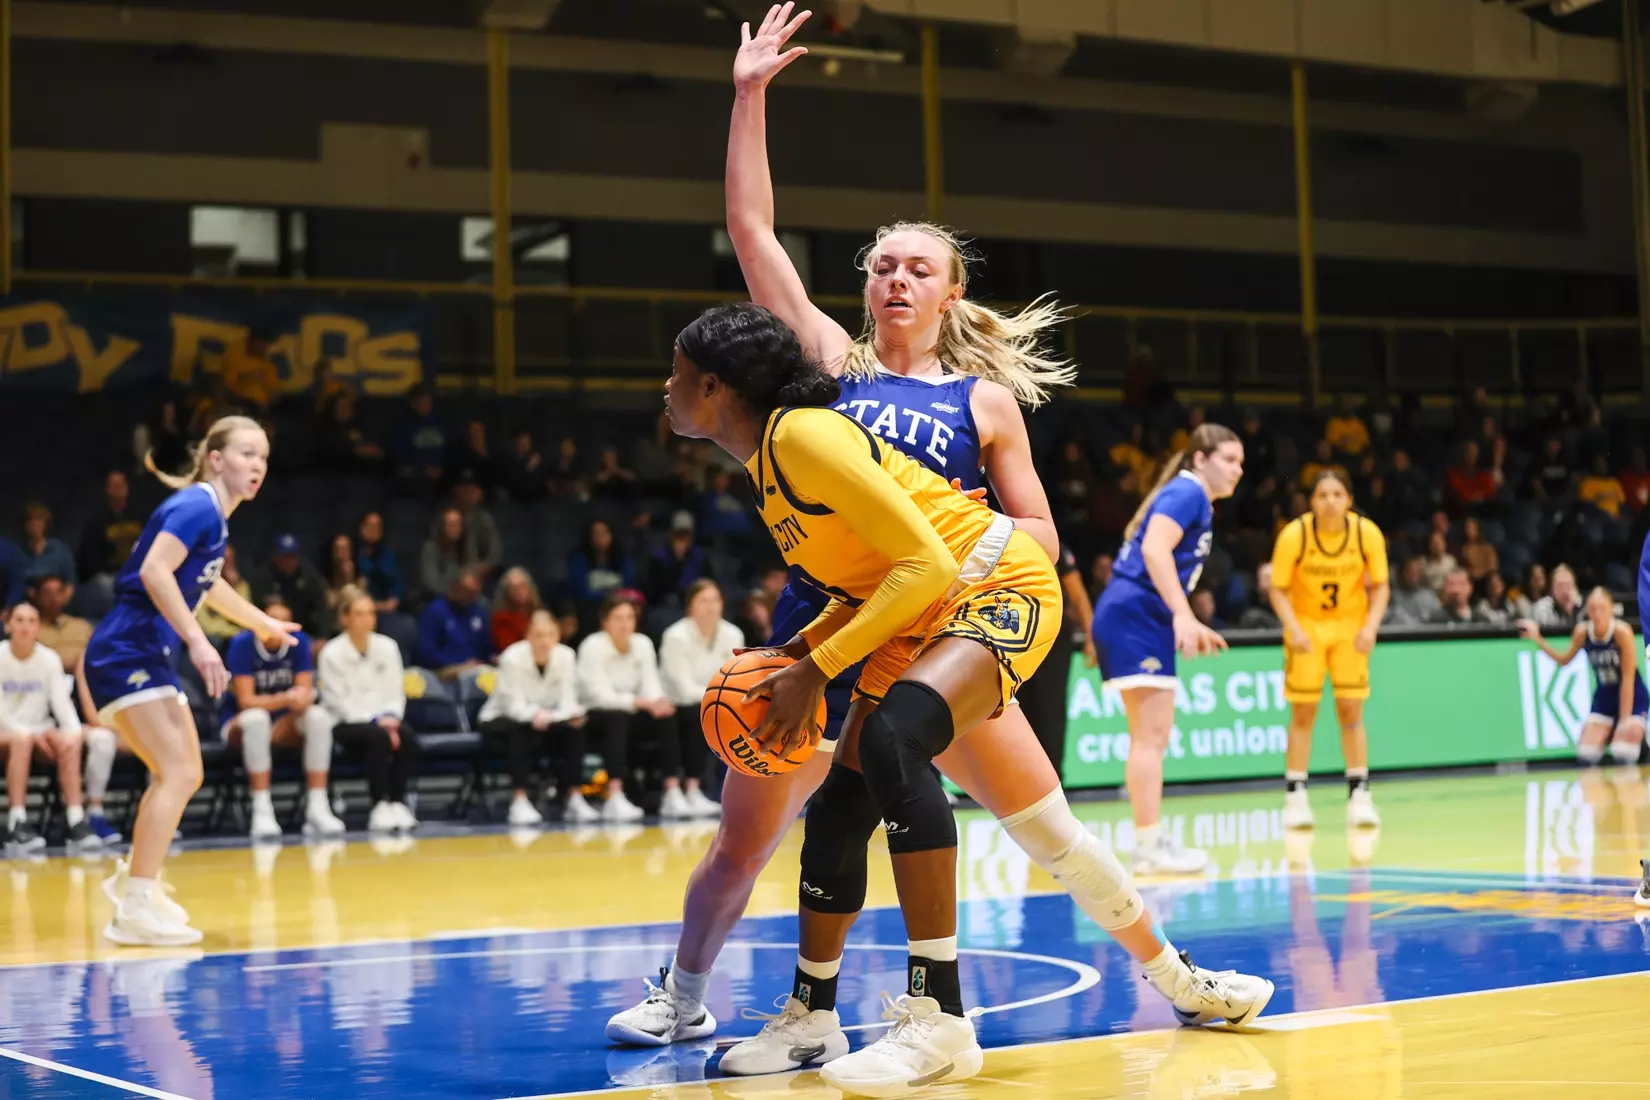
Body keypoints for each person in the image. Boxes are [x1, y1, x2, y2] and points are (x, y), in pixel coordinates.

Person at [607, 11, 1270, 1084]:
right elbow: (750, 230)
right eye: (882, 268)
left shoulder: (986, 399)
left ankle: (1174, 978)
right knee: (808, 812)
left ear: (951, 290)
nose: (896, 281)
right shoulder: (832, 370)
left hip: (962, 607)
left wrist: (959, 552)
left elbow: (1043, 536)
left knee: (1049, 830)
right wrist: (747, 96)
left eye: (918, 268)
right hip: (858, 618)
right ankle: (759, 1003)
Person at [645, 294, 1270, 1094]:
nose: (665, 386)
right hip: (916, 611)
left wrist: (812, 669)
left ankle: (939, 1019)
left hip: (996, 583)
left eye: (677, 371)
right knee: (841, 805)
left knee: (893, 742)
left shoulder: (804, 435)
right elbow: (869, 578)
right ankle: (811, 1016)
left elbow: (932, 563)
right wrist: (795, 654)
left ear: (716, 386)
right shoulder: (768, 462)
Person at [82, 415, 299, 946]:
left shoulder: (214, 518)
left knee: (183, 772)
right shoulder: (196, 506)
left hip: (146, 650)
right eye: (248, 454)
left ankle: (141, 886)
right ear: (217, 459)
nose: (258, 466)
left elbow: (209, 586)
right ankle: (132, 906)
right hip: (125, 649)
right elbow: (156, 571)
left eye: (264, 457)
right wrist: (200, 642)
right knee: (177, 771)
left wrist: (263, 622)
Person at [1092, 423, 1244, 875]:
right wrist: (1183, 614)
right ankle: (1149, 846)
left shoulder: (1191, 496)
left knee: (1151, 737)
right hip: (1138, 614)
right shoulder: (1189, 492)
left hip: (1138, 615)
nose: (1238, 470)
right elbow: (1156, 551)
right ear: (1200, 458)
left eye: (1241, 463)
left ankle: (1151, 840)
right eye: (1230, 460)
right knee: (1150, 738)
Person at [1267, 471, 1388, 832]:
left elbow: (1381, 586)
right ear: (1312, 501)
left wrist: (1371, 627)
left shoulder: (1366, 533)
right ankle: (1295, 795)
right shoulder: (1295, 534)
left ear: (1349, 499)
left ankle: (1359, 794)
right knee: (1303, 711)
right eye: (1322, 494)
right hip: (1308, 629)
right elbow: (1278, 589)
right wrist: (1294, 627)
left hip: (1350, 628)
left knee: (1351, 709)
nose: (1330, 501)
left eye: (1337, 493)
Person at [221, 595, 345, 841]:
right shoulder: (242, 644)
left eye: (285, 621)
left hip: (283, 724)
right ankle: (261, 809)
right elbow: (246, 701)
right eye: (273, 620)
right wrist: (287, 698)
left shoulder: (298, 642)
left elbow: (304, 691)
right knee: (257, 719)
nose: (279, 626)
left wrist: (301, 699)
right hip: (239, 723)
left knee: (318, 717)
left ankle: (318, 807)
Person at [311, 587, 420, 832]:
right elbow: (338, 700)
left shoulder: (388, 647)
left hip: (384, 720)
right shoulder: (331, 652)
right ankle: (379, 804)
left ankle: (398, 802)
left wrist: (390, 717)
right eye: (359, 614)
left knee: (407, 736)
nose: (367, 619)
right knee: (378, 738)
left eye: (371, 613)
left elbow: (395, 691)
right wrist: (375, 721)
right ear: (344, 618)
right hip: (344, 721)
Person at [576, 592, 680, 822]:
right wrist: (641, 702)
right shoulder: (591, 646)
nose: (625, 624)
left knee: (667, 715)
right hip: (595, 716)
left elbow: (651, 683)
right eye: (618, 618)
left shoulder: (642, 643)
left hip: (633, 711)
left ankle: (673, 790)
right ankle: (614, 794)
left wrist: (658, 702)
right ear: (605, 622)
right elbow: (600, 696)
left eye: (629, 617)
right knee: (616, 717)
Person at [0, 599, 95, 849]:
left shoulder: (49, 659)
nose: (25, 627)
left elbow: (61, 704)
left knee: (68, 741)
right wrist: (30, 734)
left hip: (37, 730)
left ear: (38, 627)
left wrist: (74, 733)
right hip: (6, 732)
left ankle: (75, 821)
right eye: (19, 620)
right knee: (21, 740)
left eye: (31, 621)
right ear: (7, 625)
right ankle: (16, 823)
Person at [478, 608, 585, 826]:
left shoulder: (567, 656)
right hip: (500, 718)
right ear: (528, 636)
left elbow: (570, 703)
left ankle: (574, 796)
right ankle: (519, 800)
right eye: (538, 635)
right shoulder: (512, 658)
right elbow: (513, 706)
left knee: (577, 726)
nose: (545, 641)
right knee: (520, 728)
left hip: (547, 717)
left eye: (550, 635)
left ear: (558, 635)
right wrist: (536, 715)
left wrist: (551, 716)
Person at [1520, 587, 1646, 767]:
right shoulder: (1582, 632)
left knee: (1623, 753)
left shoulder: (1621, 632)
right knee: (1586, 755)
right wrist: (1537, 639)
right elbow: (1564, 661)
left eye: (1602, 608)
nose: (1597, 614)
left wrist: (1623, 722)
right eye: (1593, 609)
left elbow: (1628, 678)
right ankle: (1608, 735)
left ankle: (1641, 743)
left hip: (1632, 697)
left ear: (1611, 609)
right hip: (1604, 697)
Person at [657, 578, 742, 814]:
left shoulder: (732, 634)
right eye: (704, 600)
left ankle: (699, 791)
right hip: (675, 705)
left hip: (714, 702)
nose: (711, 605)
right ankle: (674, 792)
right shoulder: (675, 636)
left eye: (715, 599)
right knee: (697, 715)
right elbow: (684, 689)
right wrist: (718, 695)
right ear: (690, 605)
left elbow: (736, 677)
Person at [249, 533, 329, 637]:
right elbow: (255, 608)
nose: (289, 561)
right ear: (275, 557)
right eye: (285, 557)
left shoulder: (310, 578)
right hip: (269, 632)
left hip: (305, 632)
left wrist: (322, 637)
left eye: (292, 556)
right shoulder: (262, 579)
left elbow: (322, 608)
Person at [416, 571, 493, 680]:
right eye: (468, 592)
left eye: (475, 593)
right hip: (445, 671)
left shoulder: (479, 614)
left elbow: (487, 650)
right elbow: (426, 653)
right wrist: (459, 664)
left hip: (477, 670)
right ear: (454, 587)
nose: (472, 597)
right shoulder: (435, 612)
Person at [19, 503, 76, 598]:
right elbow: (18, 584)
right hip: (30, 602)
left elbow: (69, 582)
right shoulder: (19, 553)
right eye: (31, 522)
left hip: (57, 602)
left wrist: (63, 599)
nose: (35, 526)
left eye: (39, 521)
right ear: (25, 525)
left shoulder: (59, 549)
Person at [356, 511, 404, 613]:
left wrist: (388, 603)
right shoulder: (353, 552)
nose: (375, 530)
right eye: (371, 526)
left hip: (381, 607)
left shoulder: (387, 555)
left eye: (378, 526)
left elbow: (396, 586)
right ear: (362, 528)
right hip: (356, 606)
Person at [490, 566, 544, 653]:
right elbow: (510, 650)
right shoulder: (502, 619)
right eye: (514, 588)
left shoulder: (539, 610)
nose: (519, 591)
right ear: (506, 592)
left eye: (523, 585)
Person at [1534, 563, 1584, 629]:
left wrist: (1573, 612)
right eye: (1560, 586)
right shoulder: (1542, 608)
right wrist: (1566, 613)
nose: (1564, 591)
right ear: (1552, 590)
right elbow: (1552, 634)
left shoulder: (1583, 606)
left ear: (1575, 588)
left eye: (1568, 586)